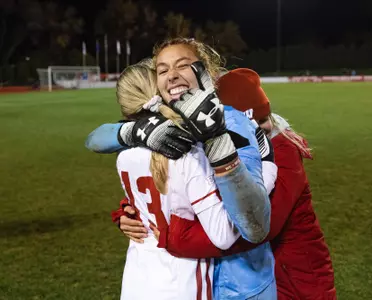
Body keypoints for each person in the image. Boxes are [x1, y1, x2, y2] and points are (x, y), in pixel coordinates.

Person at [117, 68, 337, 300]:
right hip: (244, 281)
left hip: (294, 283)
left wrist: (173, 239)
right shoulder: (221, 149)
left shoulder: (282, 151)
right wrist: (134, 213)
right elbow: (182, 189)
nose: (263, 129)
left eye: (265, 119)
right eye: (251, 123)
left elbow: (257, 230)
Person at [86, 38, 277, 299]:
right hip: (196, 278)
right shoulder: (162, 128)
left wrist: (218, 142)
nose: (172, 75)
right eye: (163, 70)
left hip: (240, 285)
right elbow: (94, 139)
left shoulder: (234, 124)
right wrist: (132, 132)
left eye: (183, 65)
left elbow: (255, 226)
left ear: (206, 73)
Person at [114, 62, 246, 299]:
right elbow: (224, 235)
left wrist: (123, 214)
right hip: (182, 280)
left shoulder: (123, 156)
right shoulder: (189, 152)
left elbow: (142, 206)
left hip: (136, 278)